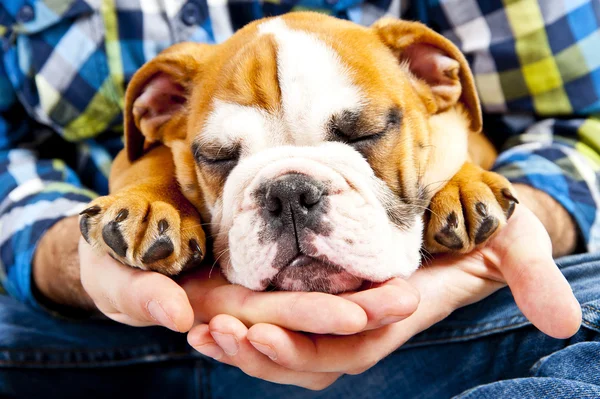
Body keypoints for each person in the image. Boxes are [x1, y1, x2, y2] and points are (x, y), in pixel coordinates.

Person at [0, 0, 598, 397]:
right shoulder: (181, 99)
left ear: (439, 73)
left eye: (359, 135)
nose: (292, 202)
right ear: (157, 109)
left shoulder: (412, 79)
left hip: (437, 320)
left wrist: (514, 208)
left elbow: (579, 121)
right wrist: (65, 260)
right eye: (223, 155)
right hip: (96, 329)